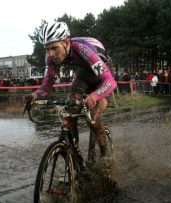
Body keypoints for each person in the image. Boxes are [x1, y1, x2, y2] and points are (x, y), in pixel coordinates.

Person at [30, 21, 117, 165]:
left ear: (65, 42)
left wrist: (95, 96)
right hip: (84, 75)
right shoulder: (50, 57)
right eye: (47, 49)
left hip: (102, 78)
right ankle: (76, 163)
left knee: (93, 118)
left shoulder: (81, 49)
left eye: (54, 48)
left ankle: (104, 156)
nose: (50, 54)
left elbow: (110, 81)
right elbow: (46, 88)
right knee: (70, 114)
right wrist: (33, 96)